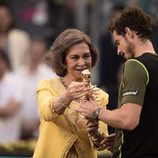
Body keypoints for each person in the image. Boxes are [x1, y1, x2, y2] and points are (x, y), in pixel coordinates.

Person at [79, 5, 158, 158]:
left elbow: (128, 120)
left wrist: (96, 111)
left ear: (128, 33)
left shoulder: (135, 65)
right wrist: (121, 137)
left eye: (117, 42)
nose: (118, 51)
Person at [33, 29, 114, 158]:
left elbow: (101, 144)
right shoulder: (47, 85)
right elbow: (46, 113)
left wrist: (95, 133)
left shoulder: (100, 96)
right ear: (63, 61)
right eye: (75, 57)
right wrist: (68, 95)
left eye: (86, 56)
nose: (82, 63)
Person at [14, 37, 56, 140]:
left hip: (41, 130)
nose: (34, 55)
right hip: (17, 129)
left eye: (38, 52)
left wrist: (36, 125)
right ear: (28, 51)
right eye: (33, 51)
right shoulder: (16, 74)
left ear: (43, 54)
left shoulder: (50, 76)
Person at [0, 49, 22, 144]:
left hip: (10, 141)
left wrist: (6, 110)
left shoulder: (16, 81)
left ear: (5, 62)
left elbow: (12, 110)